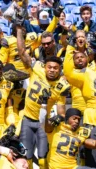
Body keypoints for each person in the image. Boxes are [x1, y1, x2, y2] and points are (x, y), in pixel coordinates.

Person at [17, 24, 70, 169]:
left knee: (42, 160)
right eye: (50, 67)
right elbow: (22, 52)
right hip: (27, 119)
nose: (52, 70)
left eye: (55, 68)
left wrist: (54, 119)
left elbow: (61, 113)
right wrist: (19, 33)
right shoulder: (37, 67)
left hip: (42, 123)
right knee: (26, 157)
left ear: (60, 70)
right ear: (45, 67)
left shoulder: (62, 86)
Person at [0, 5, 62, 74]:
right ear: (14, 30)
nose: (23, 29)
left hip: (29, 72)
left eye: (24, 27)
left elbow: (47, 33)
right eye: (20, 28)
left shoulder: (32, 37)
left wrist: (56, 17)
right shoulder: (8, 41)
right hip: (14, 73)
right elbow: (2, 61)